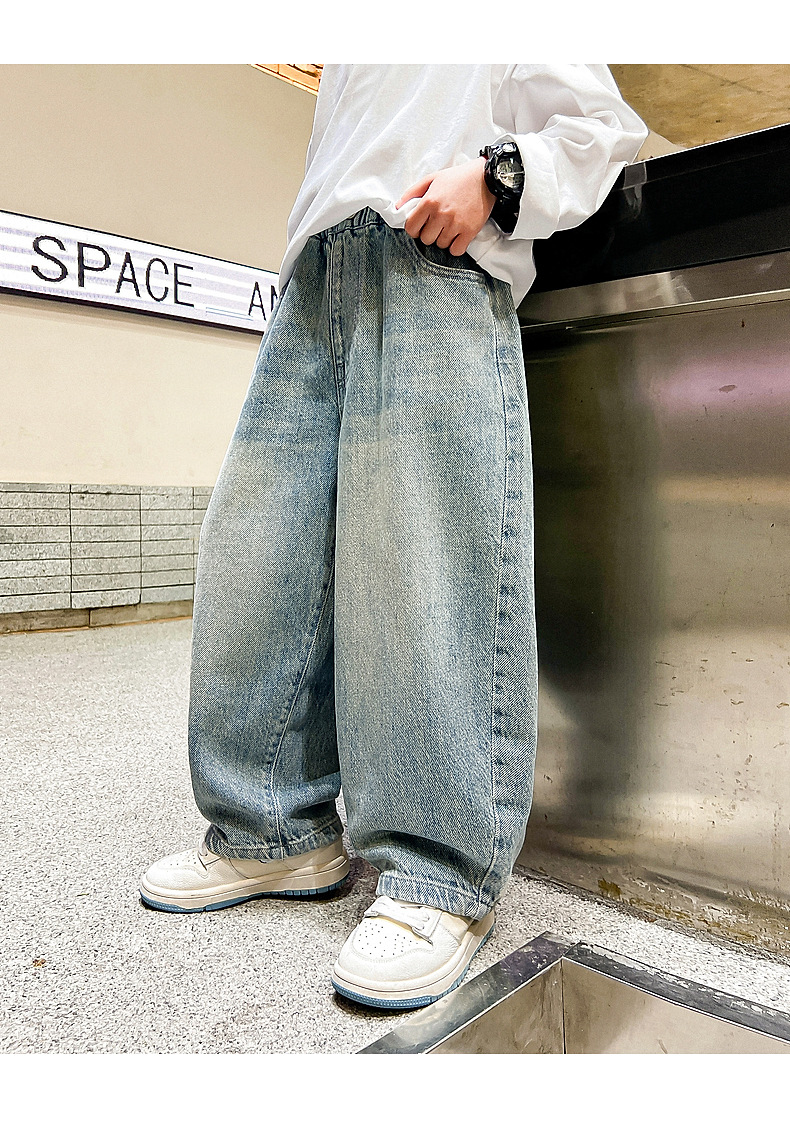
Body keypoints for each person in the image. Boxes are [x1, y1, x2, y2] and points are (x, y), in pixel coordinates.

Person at [140, 64, 647, 1010]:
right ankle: (271, 829)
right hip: (315, 278)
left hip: (430, 259)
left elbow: (599, 128)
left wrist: (497, 177)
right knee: (259, 557)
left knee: (420, 572)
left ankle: (436, 871)